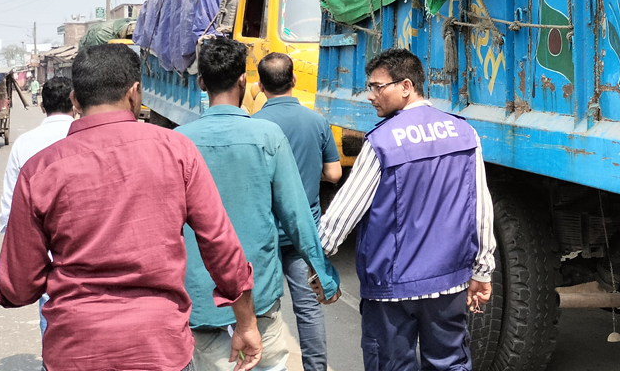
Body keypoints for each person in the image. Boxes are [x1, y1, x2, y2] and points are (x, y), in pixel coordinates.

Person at [0, 44, 263, 371]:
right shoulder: (177, 151)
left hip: (76, 352)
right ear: (135, 93)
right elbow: (219, 243)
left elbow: (19, 286)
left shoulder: (40, 170)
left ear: (75, 100)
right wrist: (246, 323)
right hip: (159, 349)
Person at [318, 48, 497, 371]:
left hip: (391, 288)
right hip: (449, 281)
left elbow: (343, 214)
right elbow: (480, 209)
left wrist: (319, 259)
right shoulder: (464, 133)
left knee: (391, 365)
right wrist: (482, 270)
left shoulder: (382, 141)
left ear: (405, 86)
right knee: (450, 363)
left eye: (377, 87)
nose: (371, 96)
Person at [178, 38, 340, 371]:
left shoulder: (178, 141)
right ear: (243, 81)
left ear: (201, 83)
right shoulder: (266, 136)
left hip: (200, 292)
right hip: (257, 293)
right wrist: (322, 273)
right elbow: (296, 215)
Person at [251, 52, 342, 371]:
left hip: (265, 236)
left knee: (262, 309)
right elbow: (333, 175)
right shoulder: (317, 120)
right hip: (304, 234)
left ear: (260, 86)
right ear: (294, 80)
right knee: (309, 309)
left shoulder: (255, 125)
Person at [0, 77, 76, 338]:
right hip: (89, 257)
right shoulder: (87, 137)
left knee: (52, 329)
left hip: (48, 259)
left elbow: (10, 209)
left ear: (43, 107)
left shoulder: (25, 144)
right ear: (75, 102)